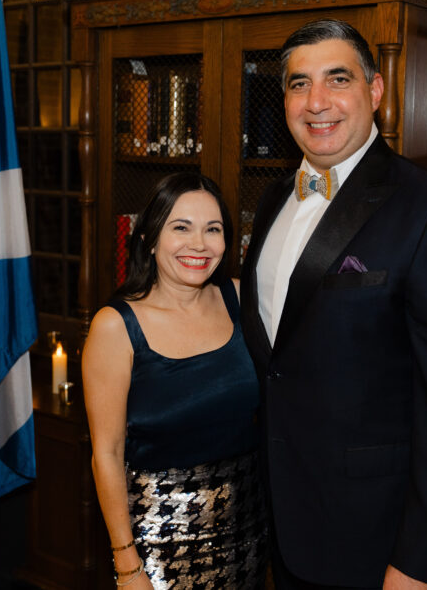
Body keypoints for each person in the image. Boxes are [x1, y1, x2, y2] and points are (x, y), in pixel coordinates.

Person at [240, 18, 427, 590]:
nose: (317, 102)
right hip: (284, 532)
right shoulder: (269, 204)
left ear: (376, 90)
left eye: (338, 79)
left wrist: (422, 562)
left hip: (384, 547)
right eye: (298, 84)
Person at [83, 172, 269, 589]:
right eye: (181, 227)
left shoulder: (240, 299)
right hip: (159, 546)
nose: (199, 244)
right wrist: (128, 565)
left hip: (248, 537)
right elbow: (107, 455)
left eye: (213, 229)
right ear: (150, 238)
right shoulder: (115, 327)